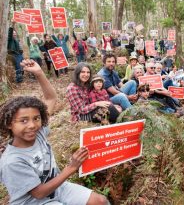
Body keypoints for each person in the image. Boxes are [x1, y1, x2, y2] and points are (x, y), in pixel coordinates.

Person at [0, 59, 108, 205]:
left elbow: (50, 98)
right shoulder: (12, 161)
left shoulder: (39, 133)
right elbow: (38, 193)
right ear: (8, 124)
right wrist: (71, 167)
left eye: (36, 118)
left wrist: (39, 73)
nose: (32, 125)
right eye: (23, 120)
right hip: (33, 201)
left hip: (57, 187)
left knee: (100, 200)